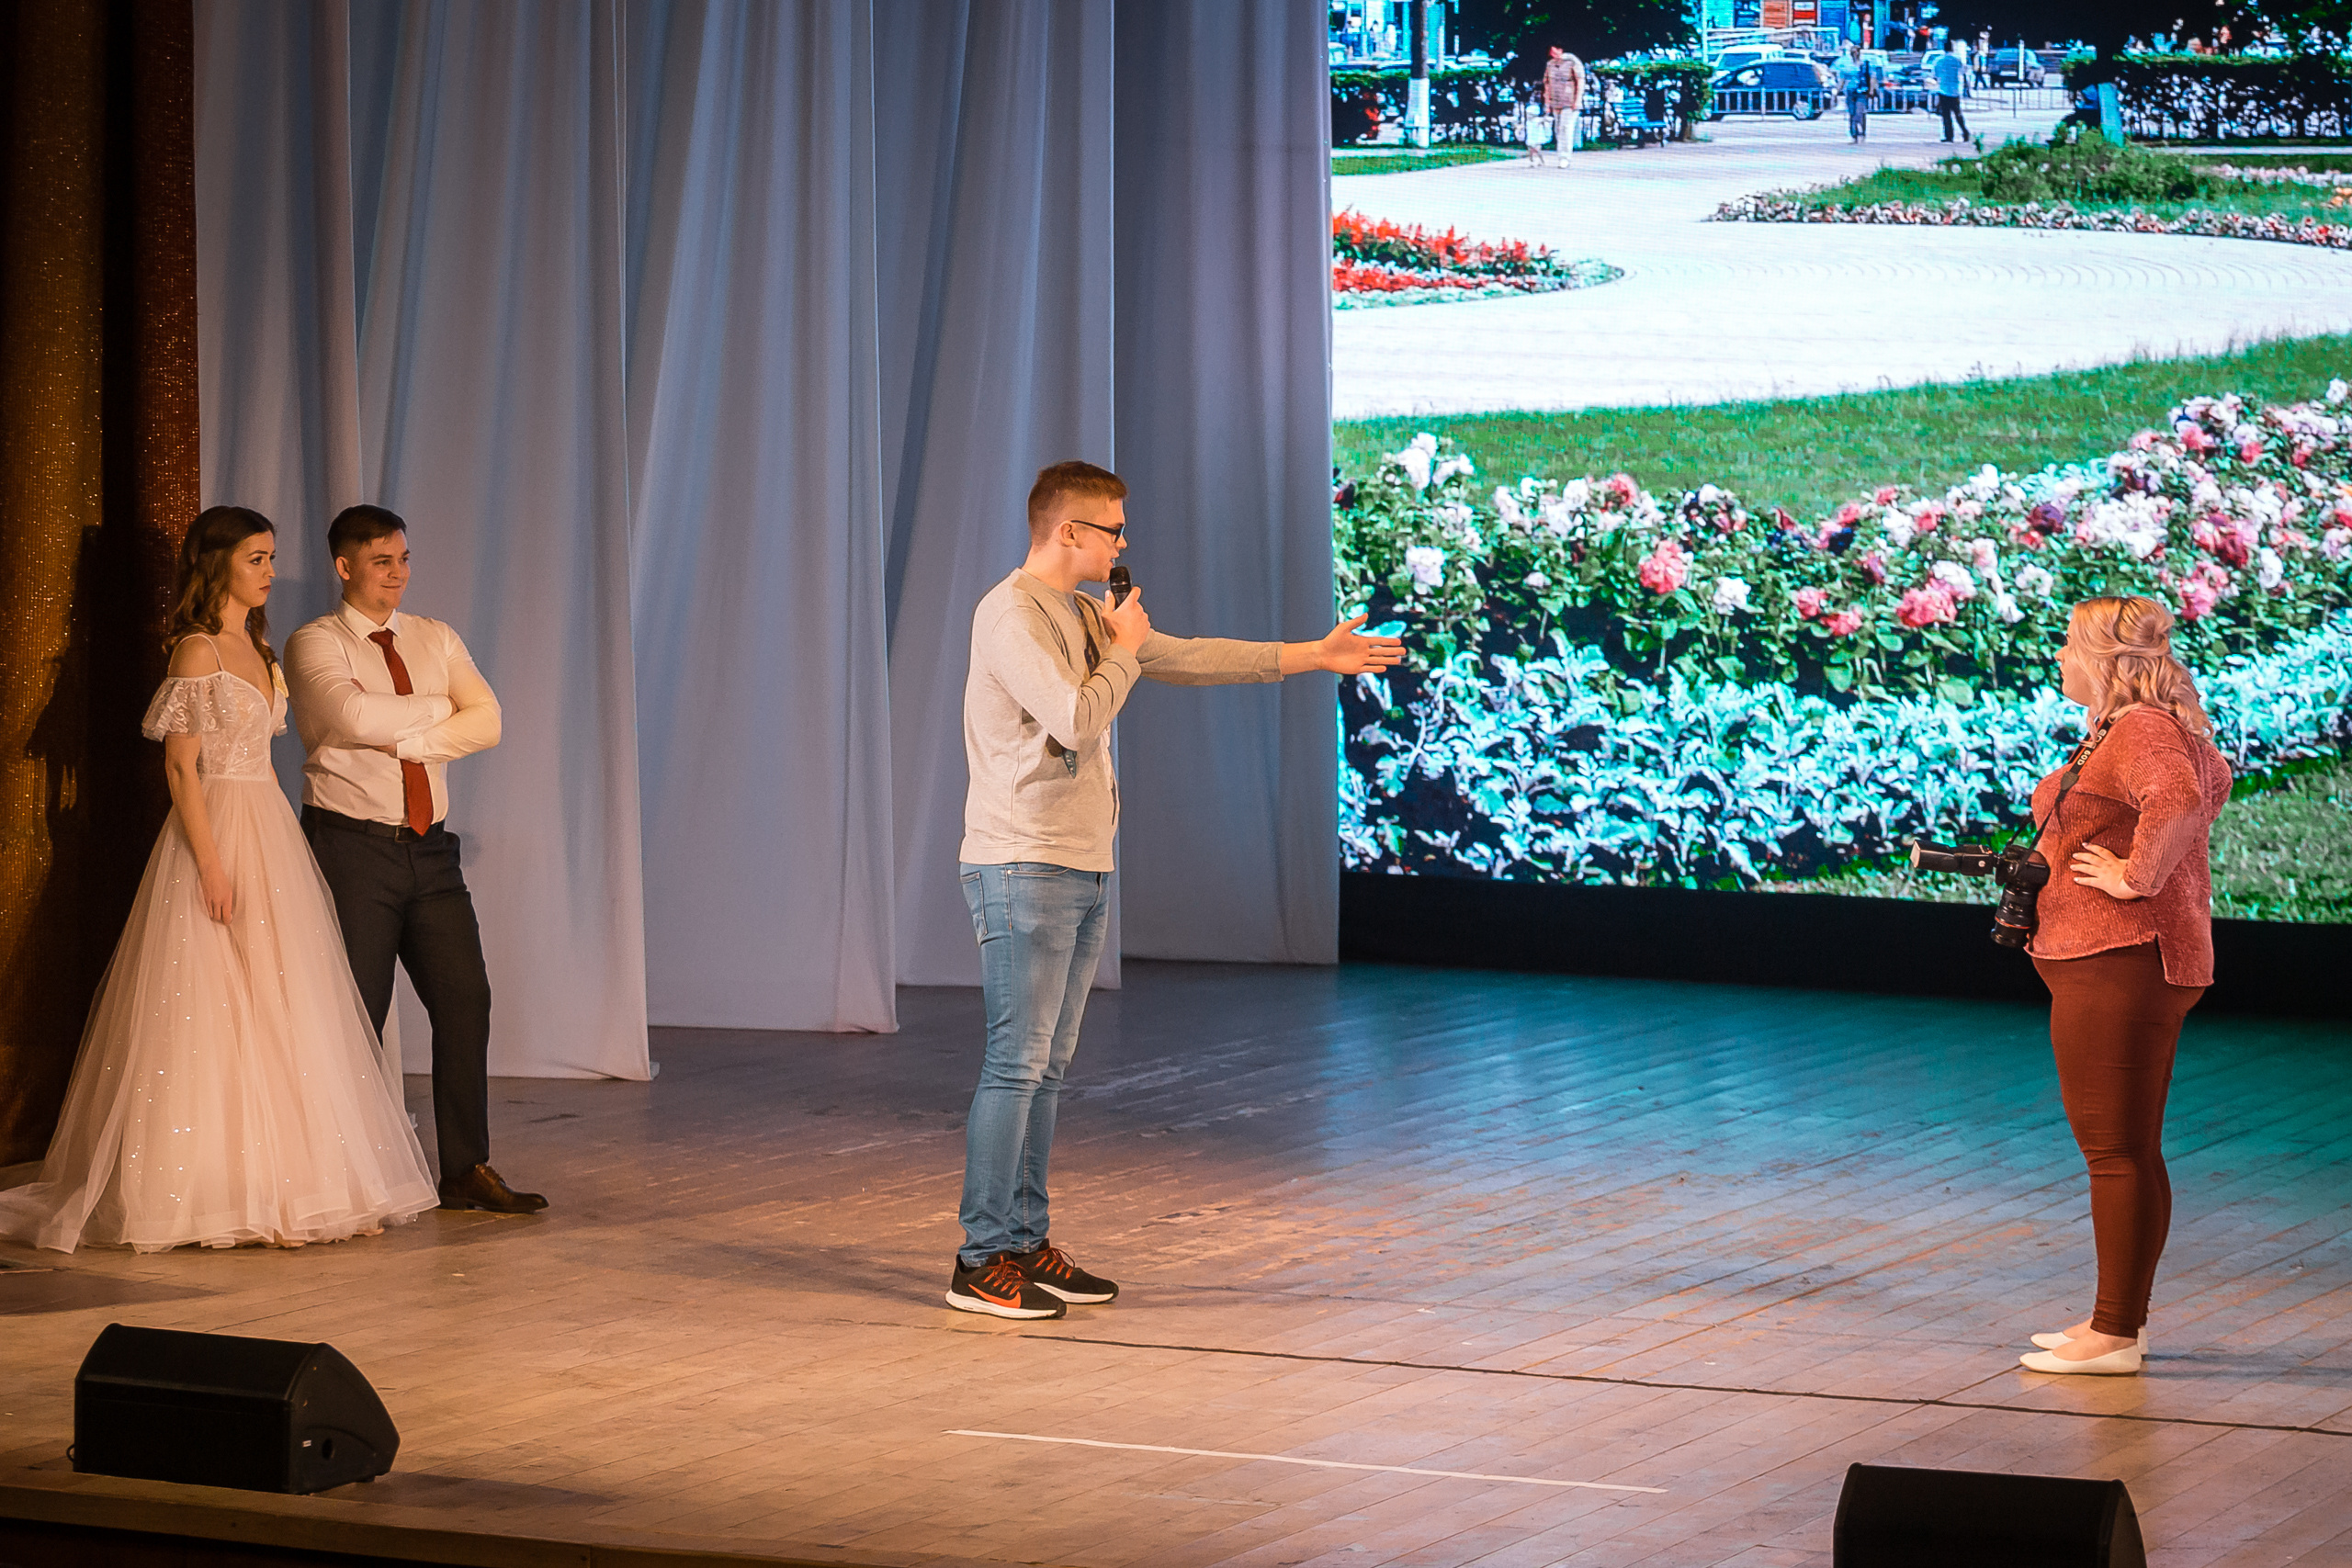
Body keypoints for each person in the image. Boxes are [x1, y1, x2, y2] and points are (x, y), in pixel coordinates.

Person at [944, 461, 1406, 1319]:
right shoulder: (1009, 613)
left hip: (1081, 860)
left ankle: (1024, 1240)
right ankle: (979, 1258)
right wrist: (1120, 653)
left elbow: (1186, 658)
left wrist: (1316, 655)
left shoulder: (1085, 613)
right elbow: (1078, 716)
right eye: (1113, 529)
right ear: (1070, 532)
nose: (1125, 543)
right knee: (1016, 1062)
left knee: (1047, 1068)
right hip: (1022, 860)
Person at [0, 507, 437, 1253]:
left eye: (271, 557)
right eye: (257, 558)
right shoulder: (197, 650)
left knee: (284, 995)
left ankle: (307, 1183)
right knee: (211, 996)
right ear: (219, 565)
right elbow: (180, 765)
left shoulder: (258, 647)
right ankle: (221, 1187)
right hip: (218, 828)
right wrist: (209, 862)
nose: (270, 571)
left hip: (267, 823)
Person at [284, 505, 542, 1215]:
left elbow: (488, 720)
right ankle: (342, 1173)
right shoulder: (316, 642)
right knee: (355, 1012)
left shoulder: (434, 635)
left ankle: (465, 1167)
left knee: (466, 999)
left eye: (403, 559)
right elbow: (353, 717)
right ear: (345, 568)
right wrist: (438, 712)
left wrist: (410, 735)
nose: (397, 573)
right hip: (351, 846)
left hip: (430, 850)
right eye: (381, 561)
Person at [2016, 597, 2231, 1376]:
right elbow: (2203, 785)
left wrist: (2136, 879)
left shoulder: (2141, 727)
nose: (2060, 659)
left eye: (2070, 645)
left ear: (2108, 659)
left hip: (2121, 958)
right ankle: (2116, 1324)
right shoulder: (2130, 726)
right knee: (2127, 1149)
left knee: (2114, 1152)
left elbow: (2177, 798)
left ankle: (2113, 1335)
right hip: (2116, 960)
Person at [1542, 46, 1584, 167]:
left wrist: (1577, 100)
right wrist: (1547, 103)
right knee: (1558, 129)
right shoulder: (1550, 65)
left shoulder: (1572, 62)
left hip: (1569, 101)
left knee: (1566, 128)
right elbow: (1547, 84)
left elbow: (1580, 81)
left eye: (1555, 51)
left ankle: (1565, 157)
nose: (1553, 54)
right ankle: (1561, 154)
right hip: (1556, 101)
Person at [1930, 38, 1972, 142]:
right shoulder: (1957, 60)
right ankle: (1965, 132)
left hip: (1943, 90)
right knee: (1958, 113)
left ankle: (1949, 136)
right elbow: (1963, 71)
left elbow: (1935, 75)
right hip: (1955, 90)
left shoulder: (1939, 61)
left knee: (1946, 115)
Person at [1838, 43, 1877, 141]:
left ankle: (1862, 131)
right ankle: (1853, 133)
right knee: (1851, 112)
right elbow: (1842, 79)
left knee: (1859, 112)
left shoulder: (1865, 64)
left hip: (1862, 91)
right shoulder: (1846, 65)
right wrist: (1838, 90)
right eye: (1853, 52)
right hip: (1850, 90)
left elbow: (1872, 77)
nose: (1855, 54)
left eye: (1856, 52)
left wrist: (1871, 90)